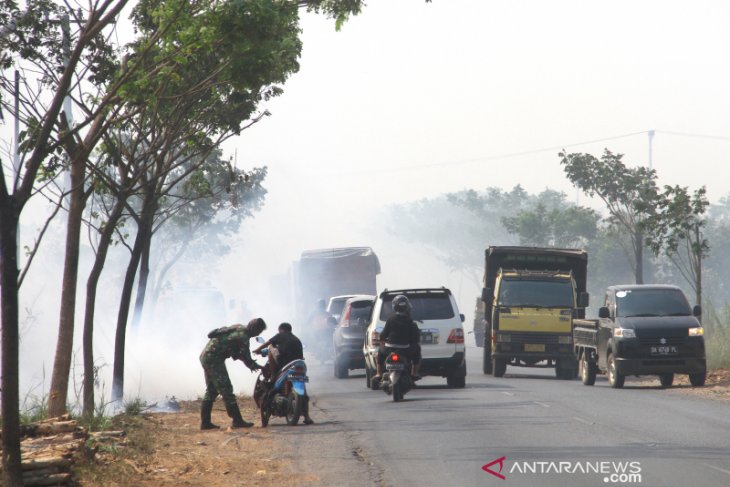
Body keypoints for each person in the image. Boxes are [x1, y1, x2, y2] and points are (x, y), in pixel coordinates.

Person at [199, 318, 266, 430]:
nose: (258, 334)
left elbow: (237, 352)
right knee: (226, 389)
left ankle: (205, 423)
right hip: (214, 359)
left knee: (212, 390)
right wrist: (257, 367)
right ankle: (237, 420)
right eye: (259, 332)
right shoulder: (243, 337)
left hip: (206, 356)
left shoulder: (238, 326)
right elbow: (245, 357)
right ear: (255, 330)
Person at [253, 322, 314, 424]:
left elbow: (268, 343)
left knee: (270, 348)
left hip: (286, 365)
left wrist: (258, 350)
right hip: (300, 364)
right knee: (303, 390)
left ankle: (273, 375)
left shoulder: (280, 335)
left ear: (281, 330)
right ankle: (307, 417)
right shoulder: (296, 339)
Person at [373, 295, 422, 381]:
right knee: (417, 349)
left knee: (379, 352)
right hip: (405, 351)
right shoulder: (411, 322)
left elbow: (383, 335)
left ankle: (378, 373)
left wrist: (382, 341)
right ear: (407, 307)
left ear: (394, 307)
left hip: (389, 349)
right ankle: (414, 373)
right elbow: (416, 339)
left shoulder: (390, 320)